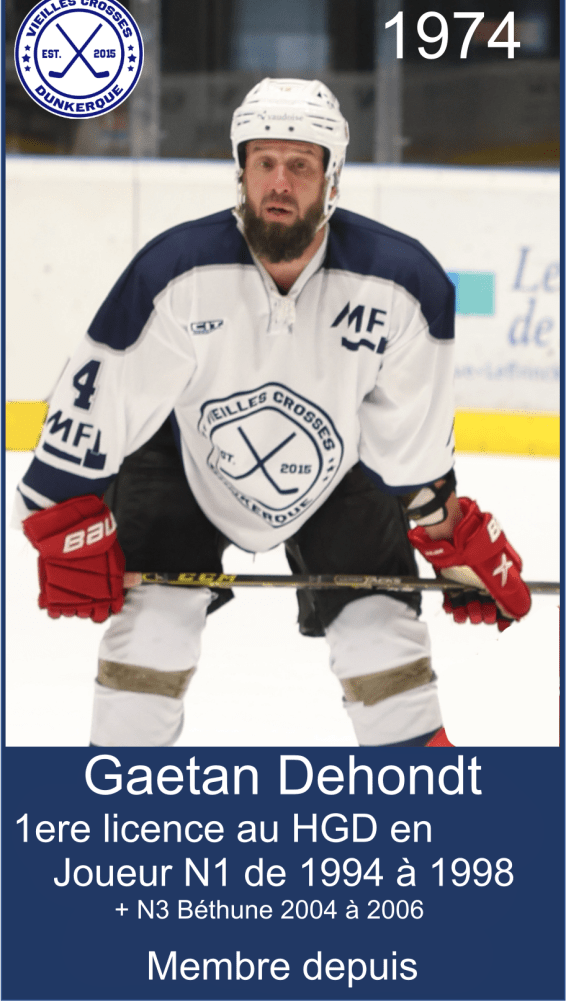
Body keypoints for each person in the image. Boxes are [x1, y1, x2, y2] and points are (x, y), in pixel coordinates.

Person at [16, 78, 531, 748]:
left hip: (342, 469)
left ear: (331, 180)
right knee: (152, 632)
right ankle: (113, 800)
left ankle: (424, 802)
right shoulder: (174, 272)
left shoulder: (404, 286)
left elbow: (408, 443)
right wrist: (61, 514)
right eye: (263, 162)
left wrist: (446, 531)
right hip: (183, 460)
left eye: (299, 165)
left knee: (381, 637)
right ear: (241, 172)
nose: (279, 183)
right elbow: (99, 397)